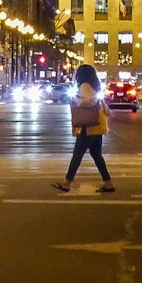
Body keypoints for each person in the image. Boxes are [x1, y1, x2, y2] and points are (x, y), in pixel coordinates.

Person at [53, 64, 114, 193]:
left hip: (89, 126)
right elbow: (97, 101)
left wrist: (76, 99)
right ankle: (108, 183)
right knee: (96, 155)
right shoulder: (94, 86)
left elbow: (87, 101)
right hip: (96, 125)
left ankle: (66, 183)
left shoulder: (85, 85)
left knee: (77, 155)